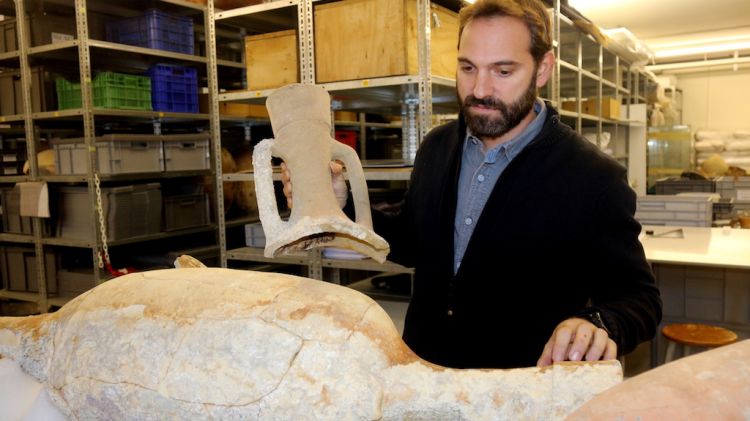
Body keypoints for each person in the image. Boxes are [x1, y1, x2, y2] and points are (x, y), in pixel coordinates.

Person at [281, 0, 662, 369]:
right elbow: (414, 243)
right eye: (467, 67)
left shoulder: (593, 176)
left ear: (542, 69)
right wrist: (342, 206)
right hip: (423, 370)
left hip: (515, 392)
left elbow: (640, 300)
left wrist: (598, 323)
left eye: (502, 71)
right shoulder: (437, 146)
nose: (479, 90)